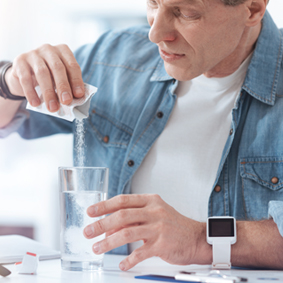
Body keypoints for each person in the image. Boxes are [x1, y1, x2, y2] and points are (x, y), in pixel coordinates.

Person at [0, 0, 283, 271]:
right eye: (153, 3)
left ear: (252, 9)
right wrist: (10, 81)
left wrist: (201, 239)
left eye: (185, 12)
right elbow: (8, 115)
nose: (155, 33)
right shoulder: (114, 59)